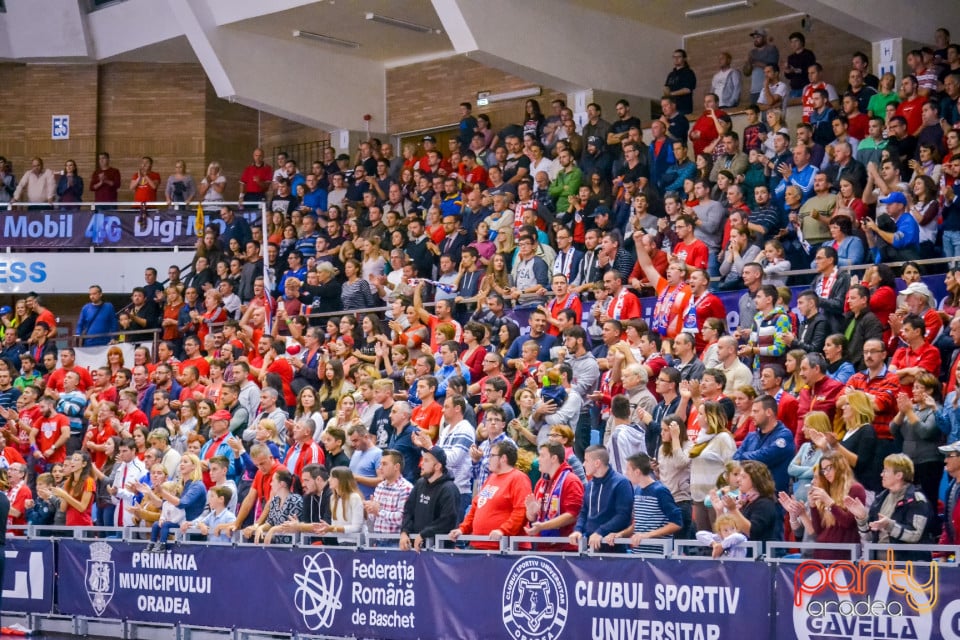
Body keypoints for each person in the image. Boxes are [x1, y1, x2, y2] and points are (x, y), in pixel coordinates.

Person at [846, 453, 934, 560]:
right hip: (878, 567)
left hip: (907, 568)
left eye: (886, 471)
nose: (881, 474)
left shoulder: (917, 500)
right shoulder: (880, 499)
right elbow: (869, 537)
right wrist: (862, 518)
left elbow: (915, 535)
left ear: (899, 475)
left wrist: (889, 525)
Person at [450, 441, 531, 550]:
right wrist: (463, 529)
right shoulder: (492, 477)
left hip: (504, 548)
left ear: (503, 458)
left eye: (492, 456)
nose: (488, 459)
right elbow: (476, 507)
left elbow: (521, 511)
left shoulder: (519, 478)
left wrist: (503, 530)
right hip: (479, 545)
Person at [606, 453, 683, 553]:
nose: (626, 473)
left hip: (658, 555)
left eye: (628, 470)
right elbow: (638, 524)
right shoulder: (637, 491)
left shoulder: (660, 491)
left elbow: (677, 523)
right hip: (639, 554)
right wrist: (620, 534)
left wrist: (647, 535)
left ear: (637, 472)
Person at [569, 445, 633, 552]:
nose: (583, 464)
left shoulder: (621, 483)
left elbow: (623, 515)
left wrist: (600, 532)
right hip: (591, 547)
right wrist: (578, 530)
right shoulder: (590, 485)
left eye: (586, 460)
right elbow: (584, 511)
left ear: (597, 463)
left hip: (614, 549)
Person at [524, 440, 584, 546]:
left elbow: (573, 515)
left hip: (564, 549)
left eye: (542, 456)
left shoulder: (571, 480)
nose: (538, 460)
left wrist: (544, 526)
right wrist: (531, 513)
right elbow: (533, 519)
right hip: (542, 545)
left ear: (553, 458)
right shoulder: (541, 482)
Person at [717, 460, 780, 542]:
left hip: (762, 553)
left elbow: (752, 533)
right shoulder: (746, 501)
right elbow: (728, 532)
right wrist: (719, 511)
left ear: (756, 480)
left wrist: (733, 510)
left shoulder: (764, 503)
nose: (738, 480)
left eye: (743, 477)